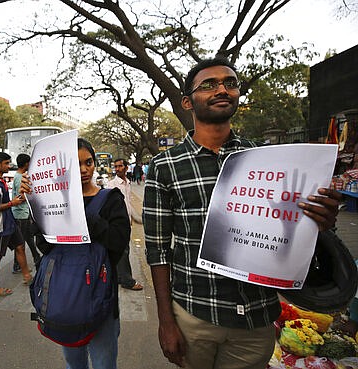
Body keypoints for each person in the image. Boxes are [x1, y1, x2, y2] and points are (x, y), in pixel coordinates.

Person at [142, 57, 341, 369]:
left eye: (229, 83)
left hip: (257, 317)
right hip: (195, 314)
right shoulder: (165, 166)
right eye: (208, 85)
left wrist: (319, 224)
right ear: (187, 102)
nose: (222, 89)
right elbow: (157, 250)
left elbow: (291, 234)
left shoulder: (270, 160)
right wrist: (166, 322)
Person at [20, 138, 130, 369]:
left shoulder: (111, 199)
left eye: (88, 162)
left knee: (104, 363)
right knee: (74, 363)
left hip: (101, 299)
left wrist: (82, 214)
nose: (83, 170)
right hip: (65, 298)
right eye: (75, 164)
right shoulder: (54, 203)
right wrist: (37, 203)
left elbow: (119, 245)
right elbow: (44, 245)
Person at [0, 152, 31, 296]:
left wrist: (18, 199)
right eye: (6, 163)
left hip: (9, 222)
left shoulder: (0, 180)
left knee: (20, 247)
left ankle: (27, 277)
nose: (9, 166)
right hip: (1, 225)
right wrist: (13, 203)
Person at [107, 158, 143, 291]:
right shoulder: (112, 185)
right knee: (123, 252)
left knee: (121, 251)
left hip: (126, 223)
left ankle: (119, 277)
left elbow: (127, 204)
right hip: (117, 224)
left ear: (126, 168)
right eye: (115, 166)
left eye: (120, 166)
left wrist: (137, 218)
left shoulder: (127, 183)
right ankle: (127, 281)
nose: (117, 169)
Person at [11, 153, 41, 272]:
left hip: (24, 213)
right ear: (26, 164)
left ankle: (36, 257)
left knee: (28, 237)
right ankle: (17, 265)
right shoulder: (20, 178)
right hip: (20, 214)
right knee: (20, 242)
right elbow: (20, 197)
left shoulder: (20, 175)